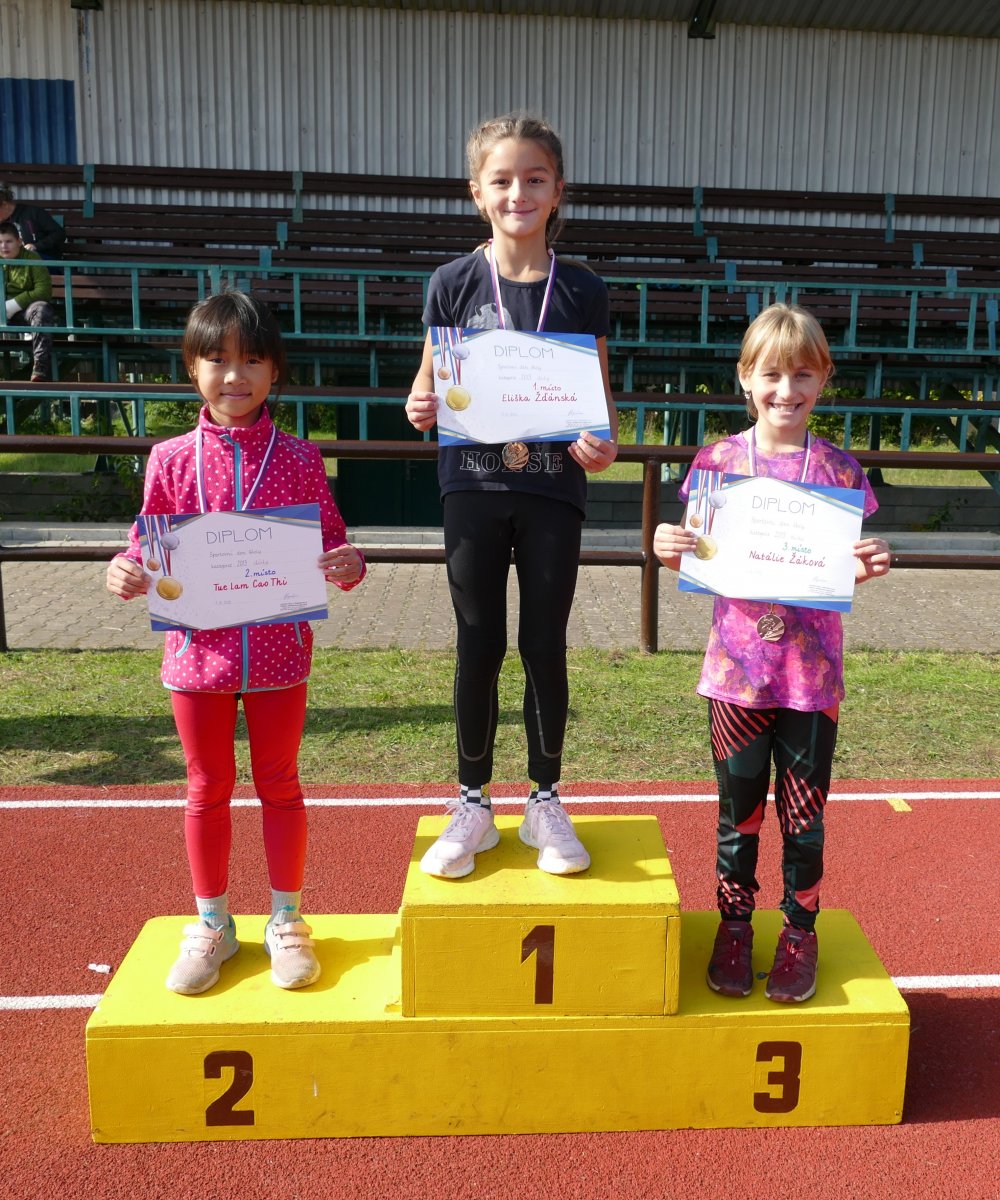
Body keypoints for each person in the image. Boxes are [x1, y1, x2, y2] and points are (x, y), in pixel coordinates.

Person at [106, 290, 366, 996]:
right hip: (197, 658)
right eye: (217, 360)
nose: (235, 376)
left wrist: (348, 564)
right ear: (192, 368)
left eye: (252, 360)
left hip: (280, 657)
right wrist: (125, 569)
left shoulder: (301, 458)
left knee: (280, 784)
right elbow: (145, 542)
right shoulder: (168, 458)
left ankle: (287, 919)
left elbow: (334, 544)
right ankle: (213, 923)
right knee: (205, 787)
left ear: (274, 371)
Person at [653, 303, 891, 1004]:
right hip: (736, 675)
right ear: (745, 379)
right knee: (739, 815)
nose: (786, 390)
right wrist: (669, 550)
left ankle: (799, 931)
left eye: (802, 375)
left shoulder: (840, 471)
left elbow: (841, 567)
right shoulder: (718, 463)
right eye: (772, 375)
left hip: (810, 678)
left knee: (804, 819)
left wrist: (866, 567)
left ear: (823, 380)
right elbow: (696, 556)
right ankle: (734, 926)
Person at [405, 113, 619, 880]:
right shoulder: (452, 283)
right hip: (473, 482)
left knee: (543, 643)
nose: (518, 193)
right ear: (477, 192)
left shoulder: (583, 287)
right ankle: (472, 803)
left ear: (558, 190)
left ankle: (544, 800)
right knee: (478, 643)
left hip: (553, 489)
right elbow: (426, 389)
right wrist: (420, 405)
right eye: (502, 180)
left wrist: (602, 446)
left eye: (534, 179)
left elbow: (600, 411)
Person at [0, 220, 55, 381]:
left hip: (26, 310)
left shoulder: (32, 258)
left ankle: (40, 367)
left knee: (41, 310)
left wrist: (13, 304)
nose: (4, 246)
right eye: (0, 242)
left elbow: (44, 290)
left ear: (19, 241)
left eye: (9, 241)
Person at [0, 182, 66, 259]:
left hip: (42, 258)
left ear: (5, 205)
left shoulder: (33, 213)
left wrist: (36, 246)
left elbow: (59, 234)